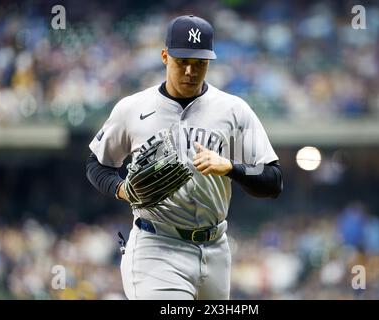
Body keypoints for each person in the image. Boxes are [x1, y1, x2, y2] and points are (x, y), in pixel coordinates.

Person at [86, 15, 283, 300]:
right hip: (156, 245)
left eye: (200, 63)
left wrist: (231, 167)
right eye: (182, 61)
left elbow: (272, 181)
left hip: (215, 249)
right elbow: (96, 164)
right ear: (165, 56)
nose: (191, 71)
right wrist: (121, 189)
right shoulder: (132, 108)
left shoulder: (234, 110)